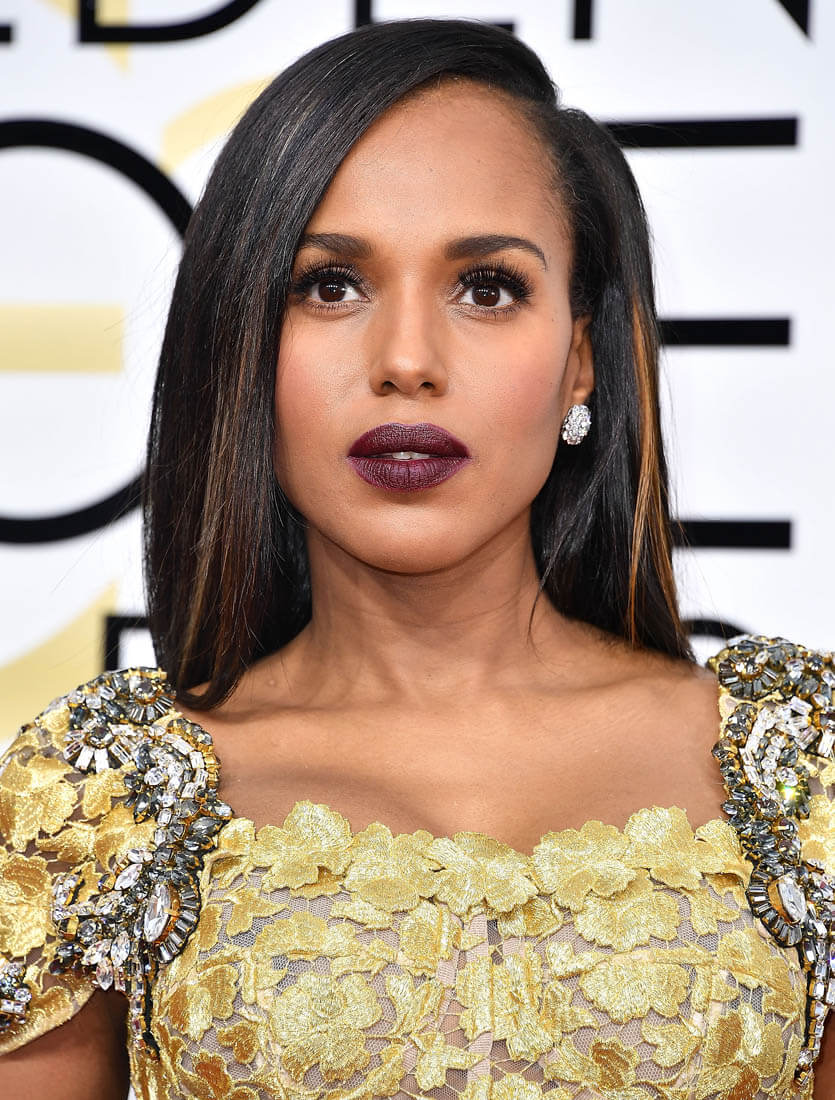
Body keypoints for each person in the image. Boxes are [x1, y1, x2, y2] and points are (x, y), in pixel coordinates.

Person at [0, 17, 832, 1100]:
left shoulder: (800, 773)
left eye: (486, 287)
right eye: (329, 285)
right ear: (242, 340)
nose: (405, 361)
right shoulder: (100, 798)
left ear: (581, 360)